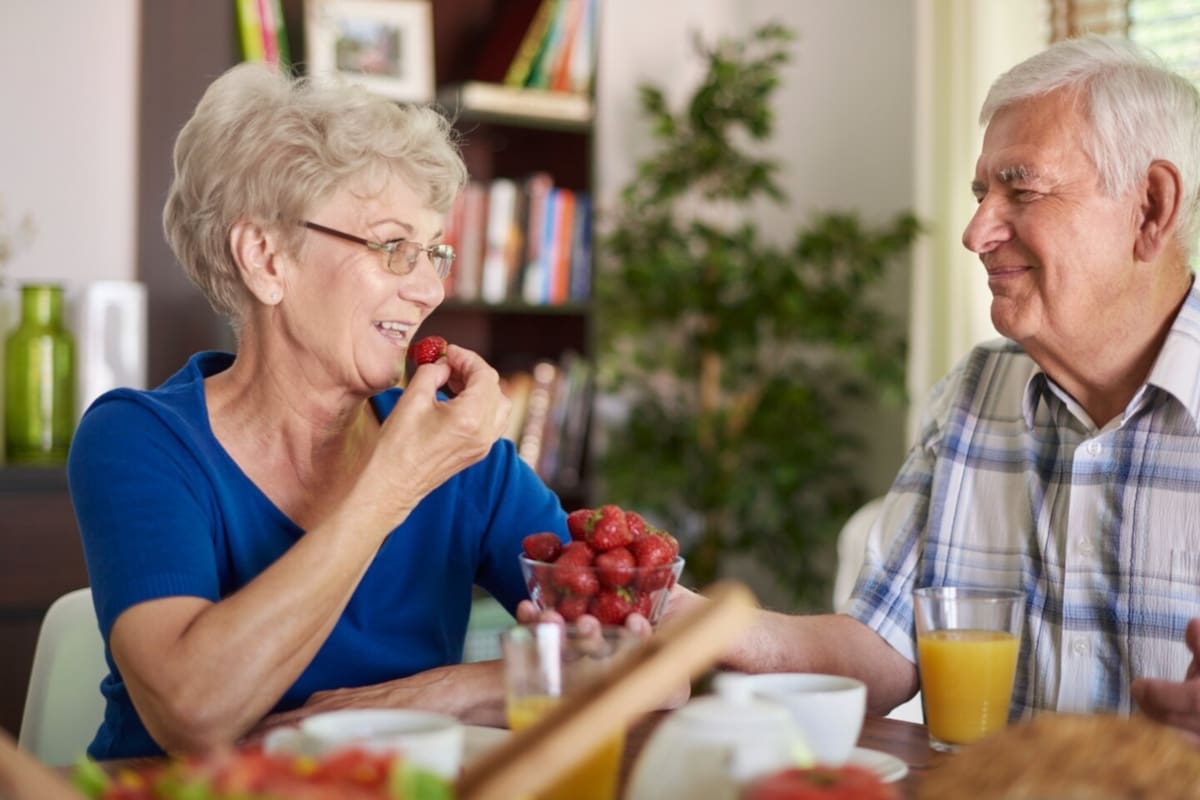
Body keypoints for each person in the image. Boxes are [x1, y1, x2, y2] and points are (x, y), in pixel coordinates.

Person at [675, 33, 1200, 735]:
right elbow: (879, 648)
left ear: (1151, 207)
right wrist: (685, 620)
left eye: (1023, 189)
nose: (976, 230)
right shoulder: (978, 392)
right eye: (984, 192)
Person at [67, 63, 570, 759]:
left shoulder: (459, 456)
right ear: (266, 258)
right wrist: (392, 485)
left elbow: (637, 647)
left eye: (435, 252)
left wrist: (438, 693)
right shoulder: (140, 440)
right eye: (394, 247)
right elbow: (194, 713)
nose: (428, 288)